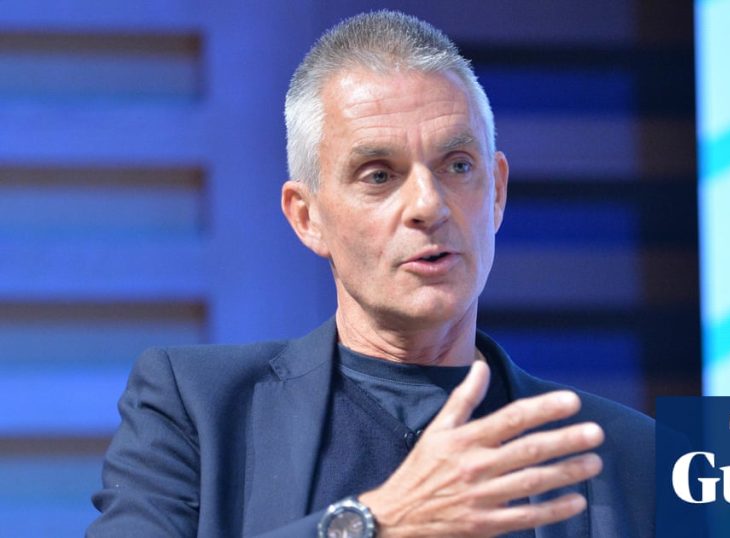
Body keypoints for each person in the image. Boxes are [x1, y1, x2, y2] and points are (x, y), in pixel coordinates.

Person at [88, 11, 653, 538]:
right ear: (307, 217)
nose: (428, 205)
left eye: (458, 166)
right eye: (379, 175)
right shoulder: (197, 408)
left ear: (497, 192)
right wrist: (375, 522)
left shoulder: (640, 456)